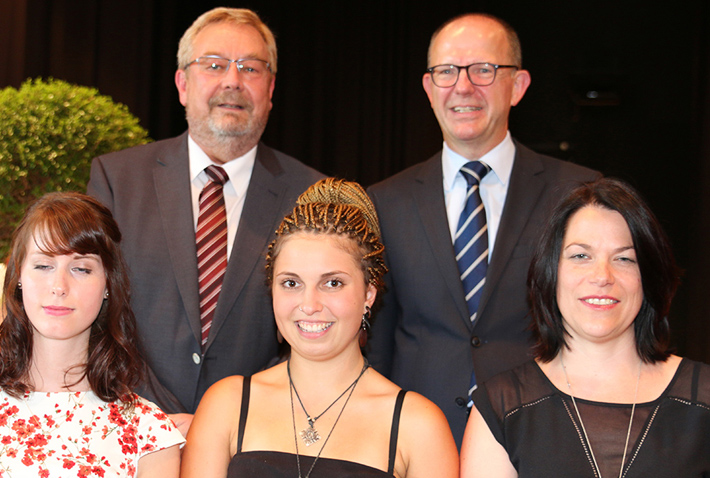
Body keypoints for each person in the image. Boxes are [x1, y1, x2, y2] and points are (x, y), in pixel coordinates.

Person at [366, 12, 601, 446]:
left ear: (519, 85)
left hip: (546, 434)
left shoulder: (580, 194)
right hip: (416, 441)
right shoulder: (384, 202)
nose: (463, 86)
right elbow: (376, 339)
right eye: (446, 71)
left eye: (484, 70)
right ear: (428, 87)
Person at [87, 7, 323, 429]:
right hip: (128, 424)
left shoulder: (312, 196)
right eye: (213, 65)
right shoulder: (117, 180)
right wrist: (153, 415)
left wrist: (227, 417)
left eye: (250, 68)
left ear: (270, 89)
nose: (232, 80)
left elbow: (320, 327)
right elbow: (96, 308)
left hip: (258, 434)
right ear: (182, 83)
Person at [180, 178, 459, 478]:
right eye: (291, 283)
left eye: (332, 283)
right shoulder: (226, 405)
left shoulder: (417, 425)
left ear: (368, 294)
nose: (309, 304)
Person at [461, 178, 710, 477]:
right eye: (581, 256)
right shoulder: (501, 408)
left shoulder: (704, 398)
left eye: (624, 258)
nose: (602, 275)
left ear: (649, 277)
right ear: (550, 272)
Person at [0, 192, 184, 476]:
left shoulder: (149, 431)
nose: (58, 286)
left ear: (108, 283)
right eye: (43, 266)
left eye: (81, 269)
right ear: (18, 278)